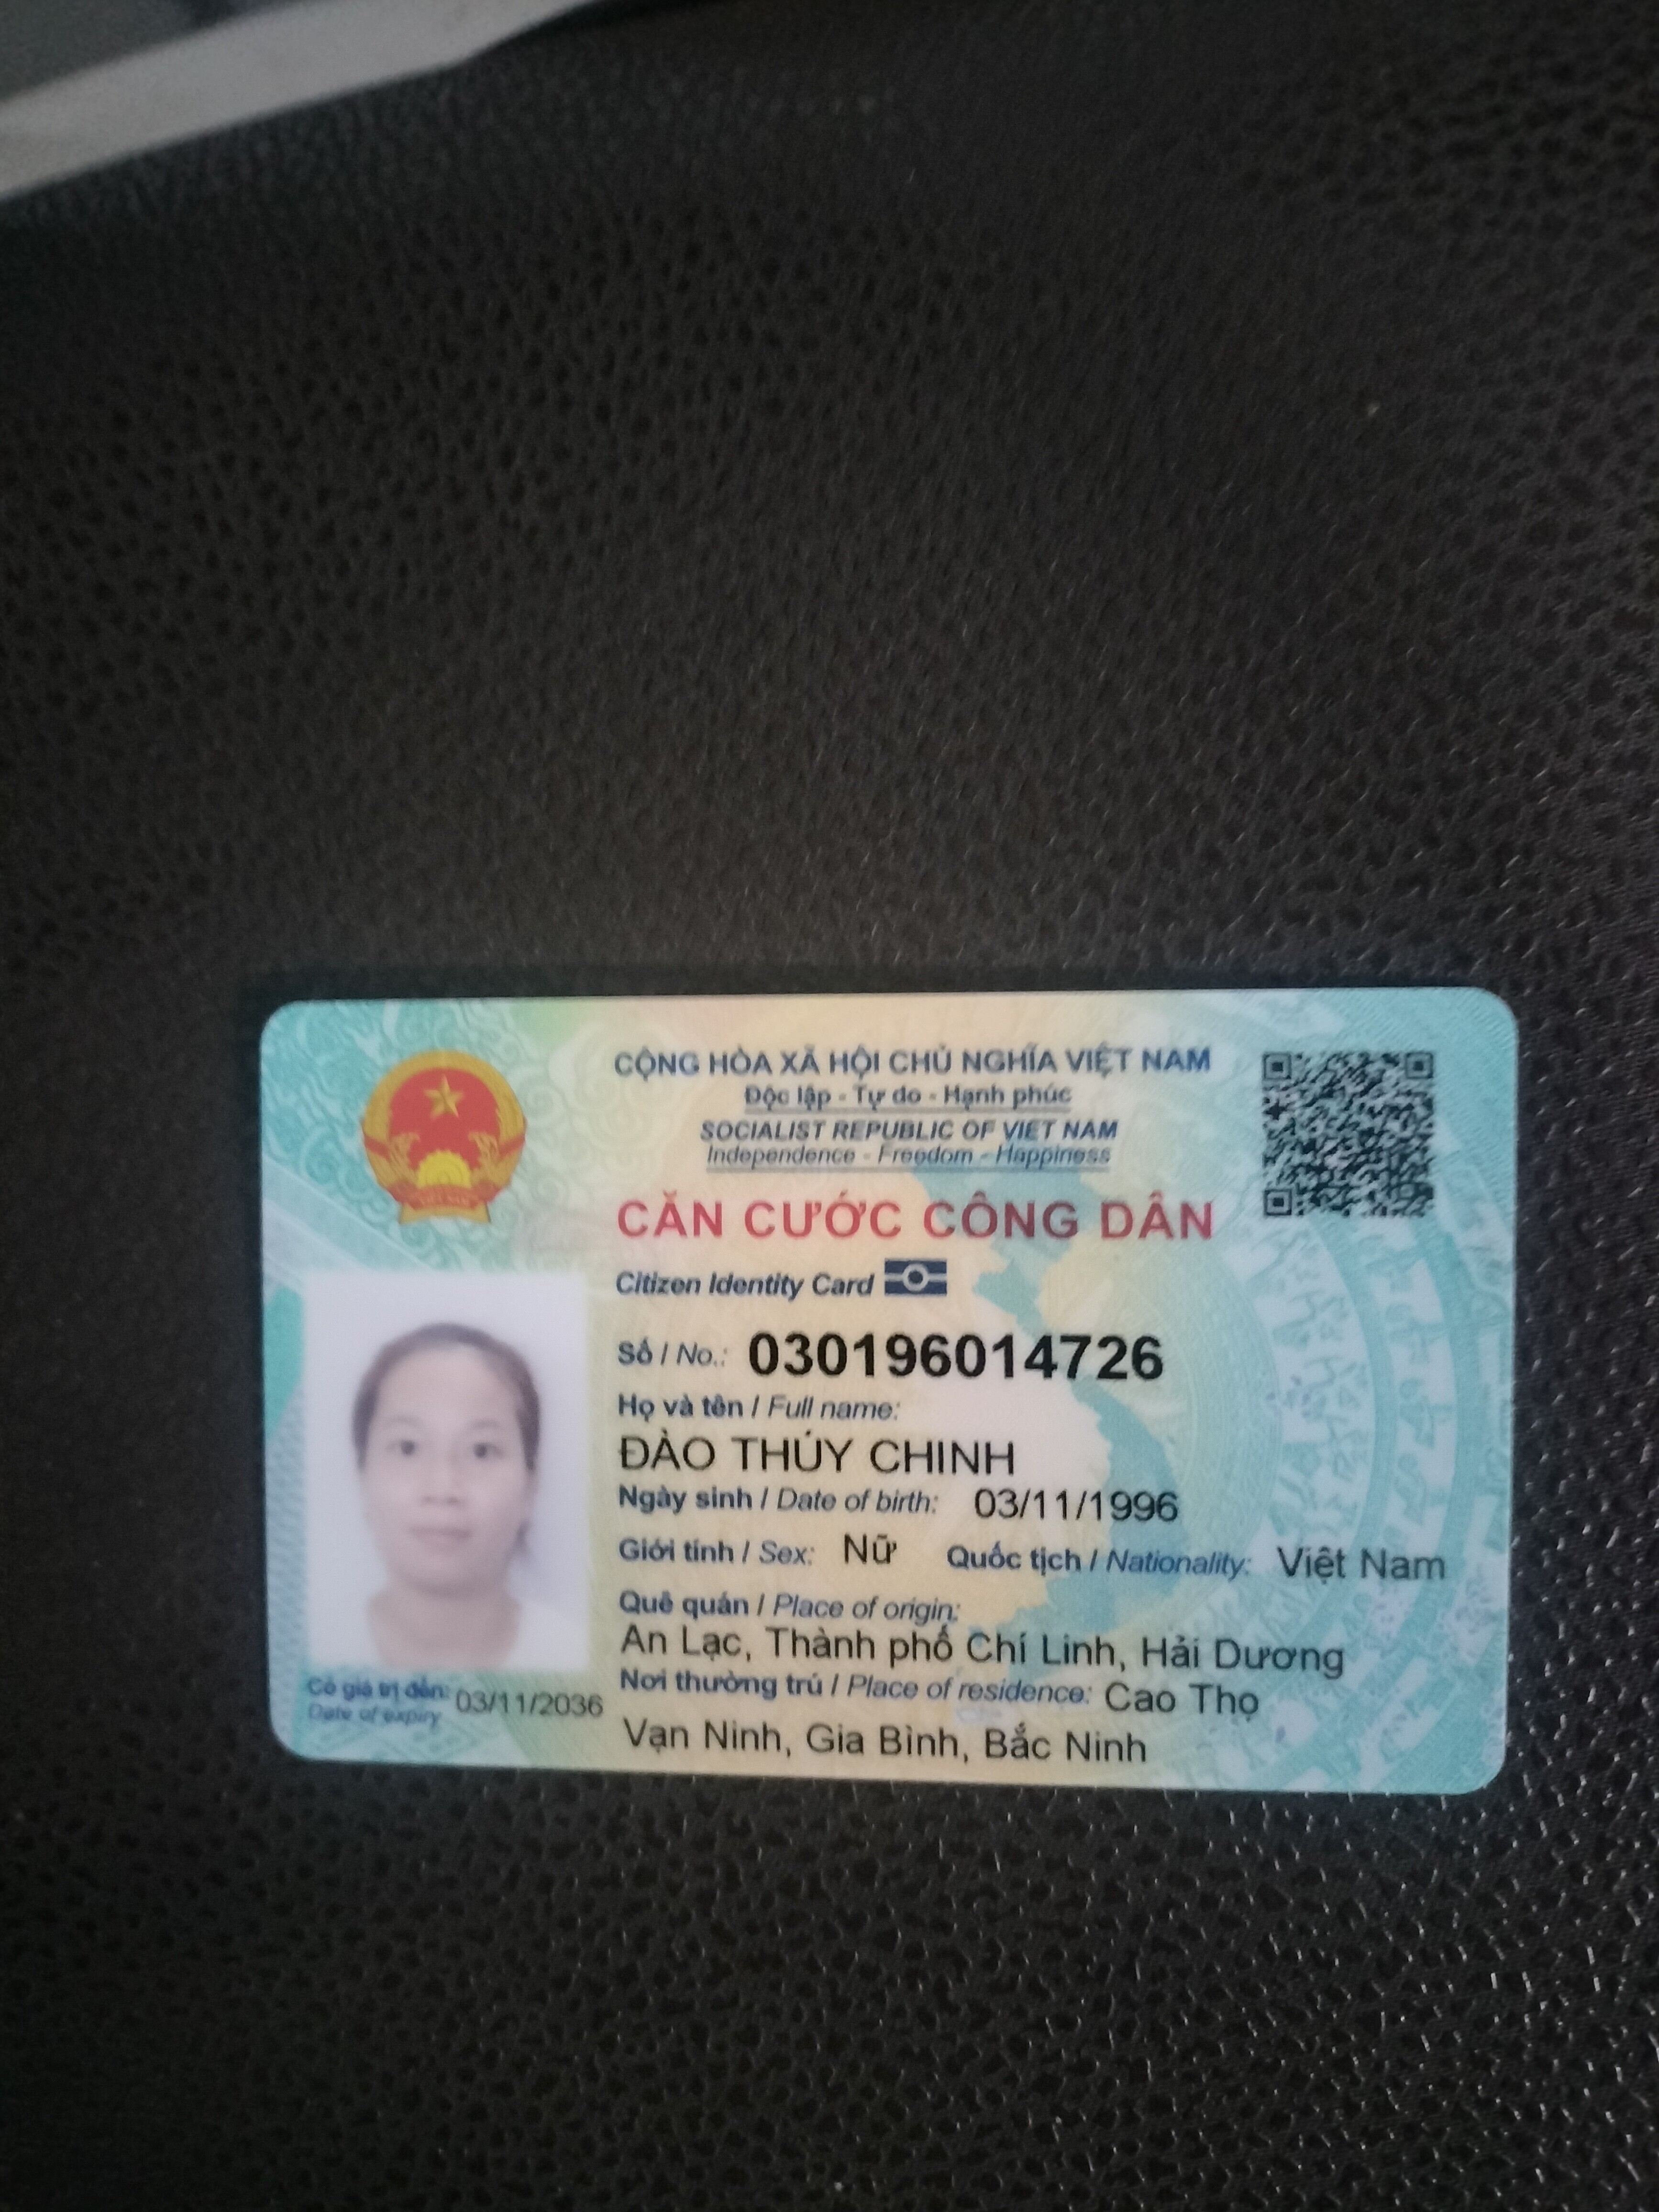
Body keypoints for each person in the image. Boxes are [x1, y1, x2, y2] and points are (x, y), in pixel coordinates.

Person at [351, 1321, 569, 1670]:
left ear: (531, 1487)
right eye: (408, 1448)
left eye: (481, 1451)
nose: (443, 1489)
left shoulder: (567, 1657)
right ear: (363, 1476)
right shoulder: (307, 1648)